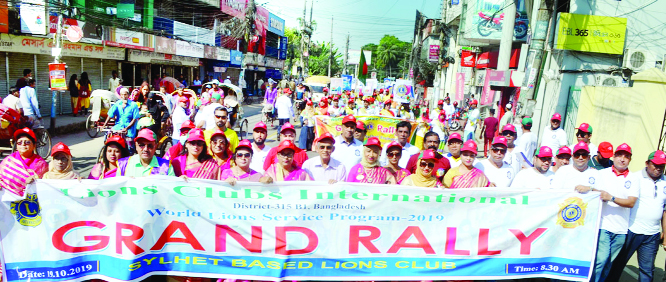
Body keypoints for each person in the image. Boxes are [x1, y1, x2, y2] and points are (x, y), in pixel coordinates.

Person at [577, 143, 638, 282]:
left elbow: (631, 202)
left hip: (621, 229)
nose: (622, 159)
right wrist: (588, 188)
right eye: (620, 155)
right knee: (600, 261)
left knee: (608, 265)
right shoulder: (602, 173)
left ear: (630, 159)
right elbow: (596, 191)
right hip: (603, 225)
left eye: (626, 156)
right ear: (614, 156)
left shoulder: (634, 178)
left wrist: (612, 198)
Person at [607, 150, 666, 282]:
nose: (658, 168)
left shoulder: (665, 182)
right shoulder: (635, 178)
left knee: (647, 271)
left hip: (652, 234)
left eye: (662, 165)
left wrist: (664, 233)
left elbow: (664, 210)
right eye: (655, 164)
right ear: (647, 163)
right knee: (617, 266)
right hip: (631, 231)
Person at [0, 128, 48, 197]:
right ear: (16, 146)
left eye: (27, 142)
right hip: (7, 200)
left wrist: (31, 183)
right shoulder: (8, 161)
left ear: (34, 145)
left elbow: (44, 186)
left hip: (30, 202)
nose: (23, 144)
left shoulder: (41, 164)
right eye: (19, 142)